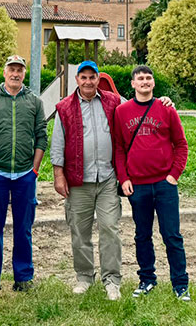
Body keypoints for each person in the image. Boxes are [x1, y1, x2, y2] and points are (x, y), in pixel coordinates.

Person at [115, 65, 191, 301]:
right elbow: (118, 148)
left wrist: (174, 175)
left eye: (148, 78)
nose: (145, 82)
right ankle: (147, 279)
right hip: (137, 185)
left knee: (172, 236)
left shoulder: (166, 109)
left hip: (164, 184)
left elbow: (181, 144)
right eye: (140, 78)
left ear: (153, 83)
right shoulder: (122, 112)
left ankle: (180, 284)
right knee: (142, 235)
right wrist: (123, 178)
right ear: (133, 84)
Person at [51, 60, 125, 300]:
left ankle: (112, 280)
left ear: (98, 79)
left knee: (110, 228)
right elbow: (58, 143)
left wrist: (162, 102)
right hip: (78, 181)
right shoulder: (64, 107)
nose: (88, 81)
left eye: (92, 77)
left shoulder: (114, 102)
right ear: (77, 80)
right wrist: (58, 175)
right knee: (79, 232)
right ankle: (84, 277)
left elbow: (138, 106)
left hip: (107, 179)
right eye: (83, 77)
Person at [0, 54, 47, 292]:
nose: (15, 74)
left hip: (25, 175)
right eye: (11, 69)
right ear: (4, 72)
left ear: (24, 74)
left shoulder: (34, 102)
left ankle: (23, 277)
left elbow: (41, 137)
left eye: (19, 70)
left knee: (23, 228)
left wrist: (34, 170)